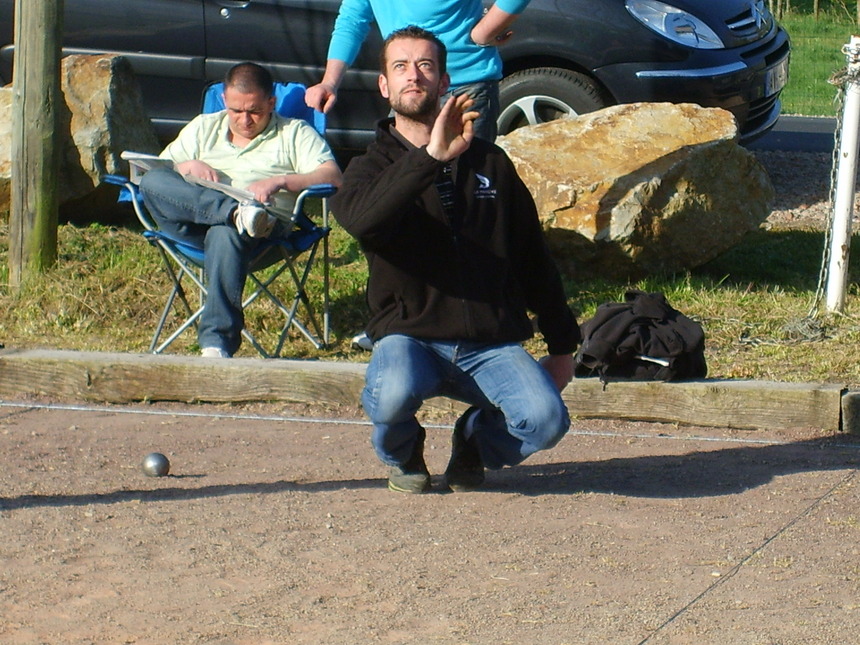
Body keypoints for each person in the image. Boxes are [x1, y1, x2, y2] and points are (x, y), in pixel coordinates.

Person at [329, 26, 580, 494]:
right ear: (384, 86)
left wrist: (563, 345)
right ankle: (403, 452)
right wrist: (429, 157)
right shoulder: (367, 168)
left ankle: (473, 443)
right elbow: (364, 223)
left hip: (489, 343)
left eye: (425, 66)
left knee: (546, 421)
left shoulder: (491, 162)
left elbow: (532, 254)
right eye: (400, 67)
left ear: (444, 82)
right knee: (392, 395)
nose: (414, 76)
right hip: (410, 340)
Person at [139, 62, 342, 359]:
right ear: (224, 100)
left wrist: (283, 180)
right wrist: (185, 167)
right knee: (152, 179)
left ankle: (216, 345)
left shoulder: (294, 132)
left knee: (225, 234)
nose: (245, 120)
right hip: (192, 225)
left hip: (262, 235)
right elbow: (157, 172)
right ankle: (235, 212)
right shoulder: (203, 127)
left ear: (271, 102)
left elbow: (334, 177)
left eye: (255, 111)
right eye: (236, 111)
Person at [305, 0, 533, 142]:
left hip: (464, 88)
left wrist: (485, 31)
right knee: (405, 183)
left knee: (467, 187)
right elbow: (352, 20)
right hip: (408, 90)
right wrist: (329, 82)